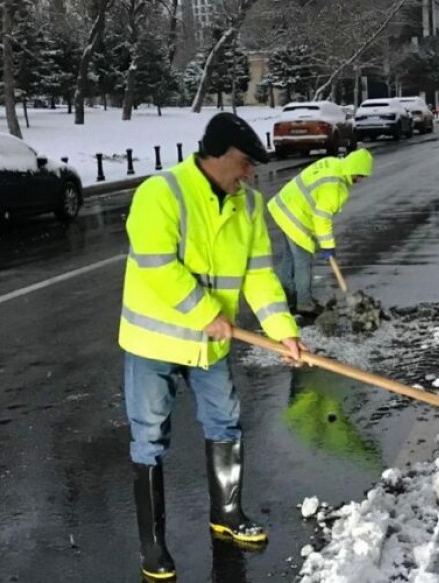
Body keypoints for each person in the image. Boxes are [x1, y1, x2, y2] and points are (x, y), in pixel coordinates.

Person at [118, 112, 306, 580]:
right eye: (244, 163)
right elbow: (157, 264)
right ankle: (153, 545)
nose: (250, 174)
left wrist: (281, 328)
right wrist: (207, 315)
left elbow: (259, 274)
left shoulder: (249, 205)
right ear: (214, 155)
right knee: (150, 438)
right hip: (155, 341)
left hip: (210, 346)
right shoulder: (160, 193)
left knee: (225, 421)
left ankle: (226, 516)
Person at [267, 148, 373, 316]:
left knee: (290, 256)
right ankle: (304, 303)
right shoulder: (335, 188)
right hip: (295, 215)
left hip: (282, 206)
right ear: (354, 170)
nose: (360, 180)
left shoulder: (334, 163)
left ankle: (286, 295)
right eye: (360, 176)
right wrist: (328, 247)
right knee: (303, 260)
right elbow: (322, 219)